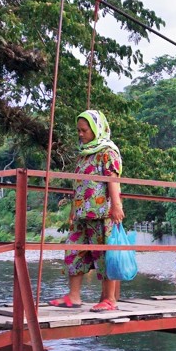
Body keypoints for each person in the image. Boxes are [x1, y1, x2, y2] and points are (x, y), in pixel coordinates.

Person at [48, 109, 124, 312]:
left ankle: (109, 299)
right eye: (78, 130)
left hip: (102, 213)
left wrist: (116, 206)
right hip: (82, 214)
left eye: (84, 130)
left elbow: (113, 180)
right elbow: (79, 185)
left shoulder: (108, 151)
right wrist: (73, 211)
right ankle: (73, 297)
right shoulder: (84, 155)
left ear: (96, 129)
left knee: (104, 256)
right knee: (74, 251)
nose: (80, 134)